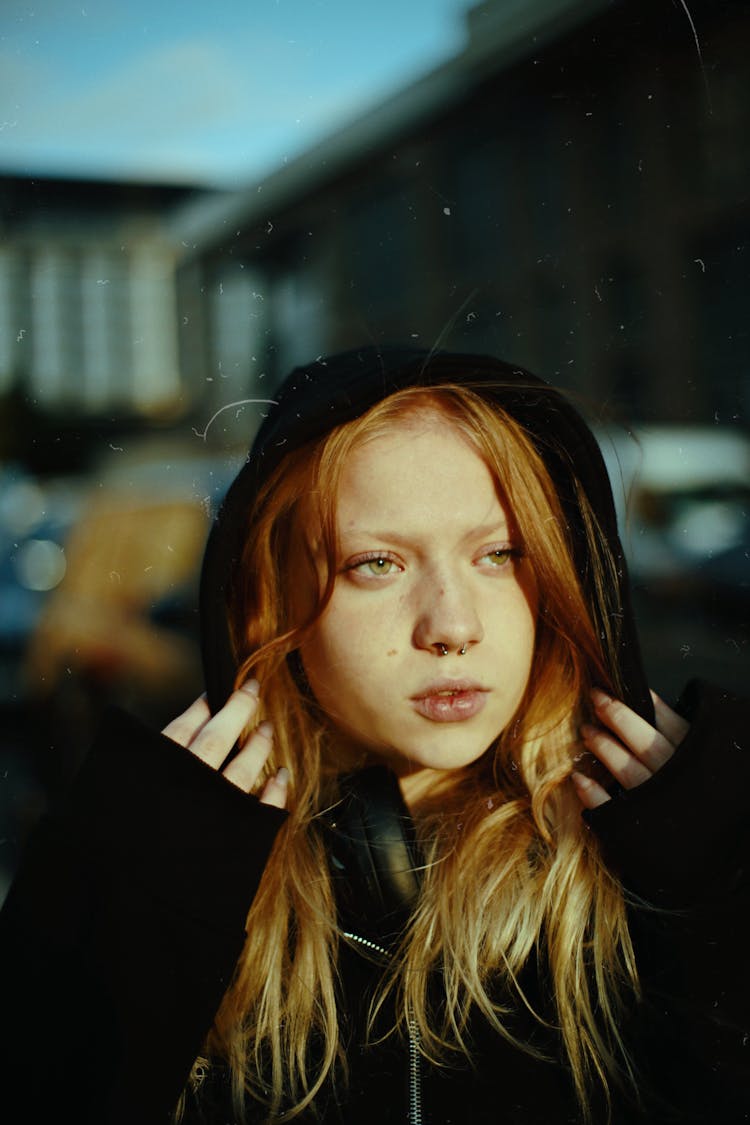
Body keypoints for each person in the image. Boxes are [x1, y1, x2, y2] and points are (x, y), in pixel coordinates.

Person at [1, 346, 748, 1125]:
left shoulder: (651, 878)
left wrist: (721, 886)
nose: (452, 626)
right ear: (270, 601)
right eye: (377, 563)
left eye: (499, 554)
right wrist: (127, 912)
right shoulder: (167, 885)